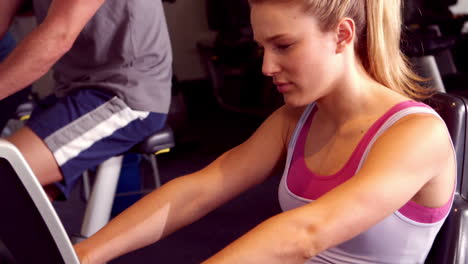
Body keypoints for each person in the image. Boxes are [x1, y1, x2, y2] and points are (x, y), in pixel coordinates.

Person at [75, 0, 456, 263]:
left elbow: (307, 233)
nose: (267, 66)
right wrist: (86, 253)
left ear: (342, 35)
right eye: (263, 48)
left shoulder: (417, 134)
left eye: (284, 46)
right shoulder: (295, 120)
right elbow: (198, 191)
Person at [0, 0, 172, 200]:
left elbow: (58, 36)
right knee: (15, 208)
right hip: (70, 92)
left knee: (7, 173)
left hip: (122, 94)